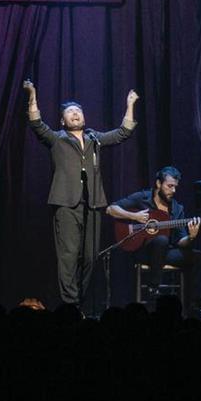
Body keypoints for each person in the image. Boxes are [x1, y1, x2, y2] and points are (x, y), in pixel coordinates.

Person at [24, 79, 138, 309]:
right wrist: (33, 94)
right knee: (68, 257)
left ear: (84, 119)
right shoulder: (57, 139)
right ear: (63, 120)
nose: (75, 114)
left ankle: (78, 302)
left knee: (89, 257)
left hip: (93, 204)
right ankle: (70, 305)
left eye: (78, 111)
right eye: (70, 112)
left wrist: (130, 104)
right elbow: (37, 124)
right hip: (66, 204)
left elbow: (122, 133)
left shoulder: (94, 139)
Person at [107, 166, 201, 310]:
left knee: (198, 256)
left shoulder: (177, 209)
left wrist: (191, 237)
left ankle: (195, 305)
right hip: (142, 250)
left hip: (164, 252)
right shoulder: (142, 198)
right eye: (170, 186)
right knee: (161, 240)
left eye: (175, 187)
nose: (173, 191)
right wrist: (134, 216)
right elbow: (111, 209)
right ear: (158, 184)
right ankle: (153, 288)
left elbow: (181, 242)